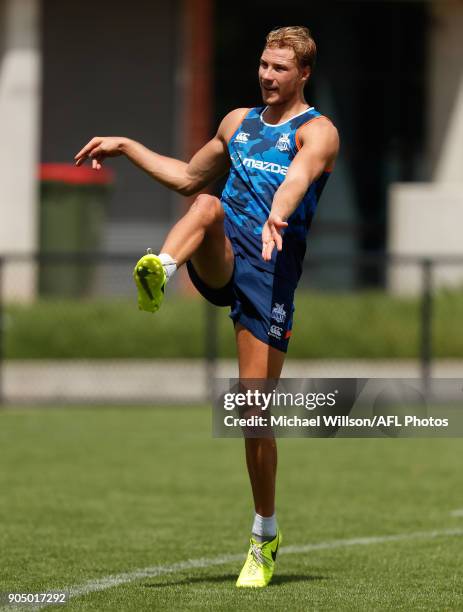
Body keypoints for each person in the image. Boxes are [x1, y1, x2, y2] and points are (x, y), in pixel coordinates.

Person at [75, 25, 339, 588]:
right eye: (264, 64)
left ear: (304, 74)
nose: (268, 75)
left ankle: (264, 534)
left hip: (270, 276)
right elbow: (188, 177)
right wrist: (126, 146)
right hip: (223, 255)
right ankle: (161, 272)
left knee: (251, 414)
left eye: (280, 68)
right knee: (205, 203)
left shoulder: (318, 132)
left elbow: (298, 178)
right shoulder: (236, 122)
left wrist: (279, 212)